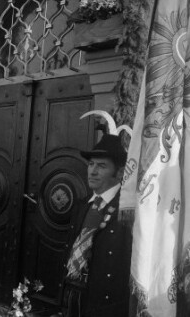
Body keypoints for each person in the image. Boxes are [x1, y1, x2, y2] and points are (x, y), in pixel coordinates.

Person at [62, 134, 132, 317]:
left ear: (120, 172)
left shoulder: (128, 209)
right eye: (91, 164)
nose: (92, 171)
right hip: (76, 298)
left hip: (108, 306)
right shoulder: (83, 205)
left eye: (101, 166)